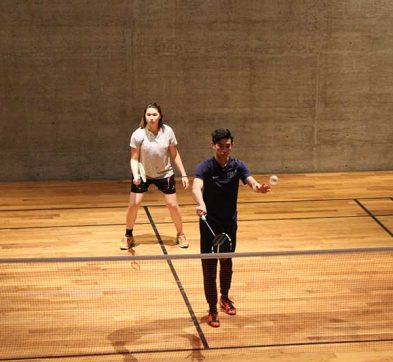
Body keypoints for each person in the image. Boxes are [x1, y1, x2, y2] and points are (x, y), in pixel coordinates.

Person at [192, 128, 270, 327]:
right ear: (213, 145)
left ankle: (224, 298)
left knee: (227, 263)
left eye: (227, 146)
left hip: (229, 224)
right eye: (220, 146)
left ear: (231, 145)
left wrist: (257, 188)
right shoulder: (205, 167)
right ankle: (212, 308)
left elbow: (250, 181)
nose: (224, 150)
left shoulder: (238, 166)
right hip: (209, 224)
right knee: (209, 268)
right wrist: (200, 203)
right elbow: (196, 186)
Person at [120, 102, 189, 250]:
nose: (151, 117)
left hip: (165, 173)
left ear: (160, 116)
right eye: (149, 114)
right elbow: (134, 158)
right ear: (145, 116)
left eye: (154, 114)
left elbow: (174, 154)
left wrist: (183, 174)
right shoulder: (138, 134)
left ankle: (181, 234)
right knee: (134, 204)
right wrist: (135, 175)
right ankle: (128, 235)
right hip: (144, 173)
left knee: (172, 205)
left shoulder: (168, 131)